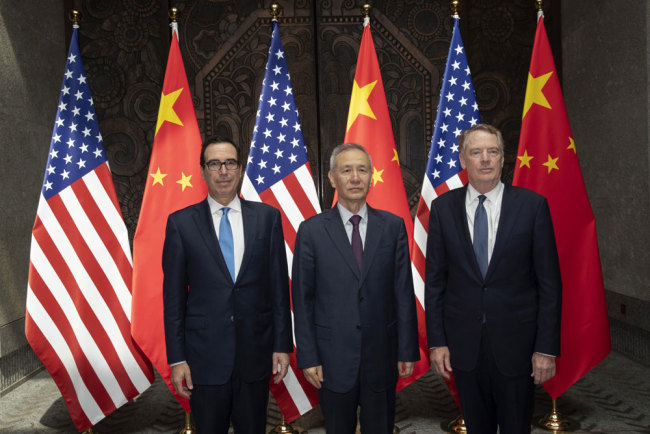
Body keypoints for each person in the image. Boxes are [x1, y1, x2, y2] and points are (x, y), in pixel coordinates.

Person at [425, 124, 562, 433]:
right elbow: (435, 282)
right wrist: (437, 342)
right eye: (476, 152)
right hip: (464, 346)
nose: (485, 159)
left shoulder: (532, 206)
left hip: (519, 347)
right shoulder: (443, 209)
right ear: (463, 159)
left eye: (493, 152)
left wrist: (546, 348)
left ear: (503, 158)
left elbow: (549, 285)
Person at [162, 136, 292, 433]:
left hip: (255, 355)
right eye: (214, 164)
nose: (223, 171)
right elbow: (173, 299)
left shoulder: (267, 218)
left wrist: (282, 346)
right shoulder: (181, 224)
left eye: (230, 163)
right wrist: (177, 358)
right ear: (203, 171)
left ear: (240, 169)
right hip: (203, 360)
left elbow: (278, 290)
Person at [291, 143, 419, 433]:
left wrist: (407, 349)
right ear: (332, 178)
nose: (355, 177)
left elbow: (402, 291)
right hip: (331, 360)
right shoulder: (311, 231)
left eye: (362, 170)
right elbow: (303, 298)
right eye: (346, 170)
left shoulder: (393, 227)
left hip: (381, 355)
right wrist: (308, 355)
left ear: (372, 177)